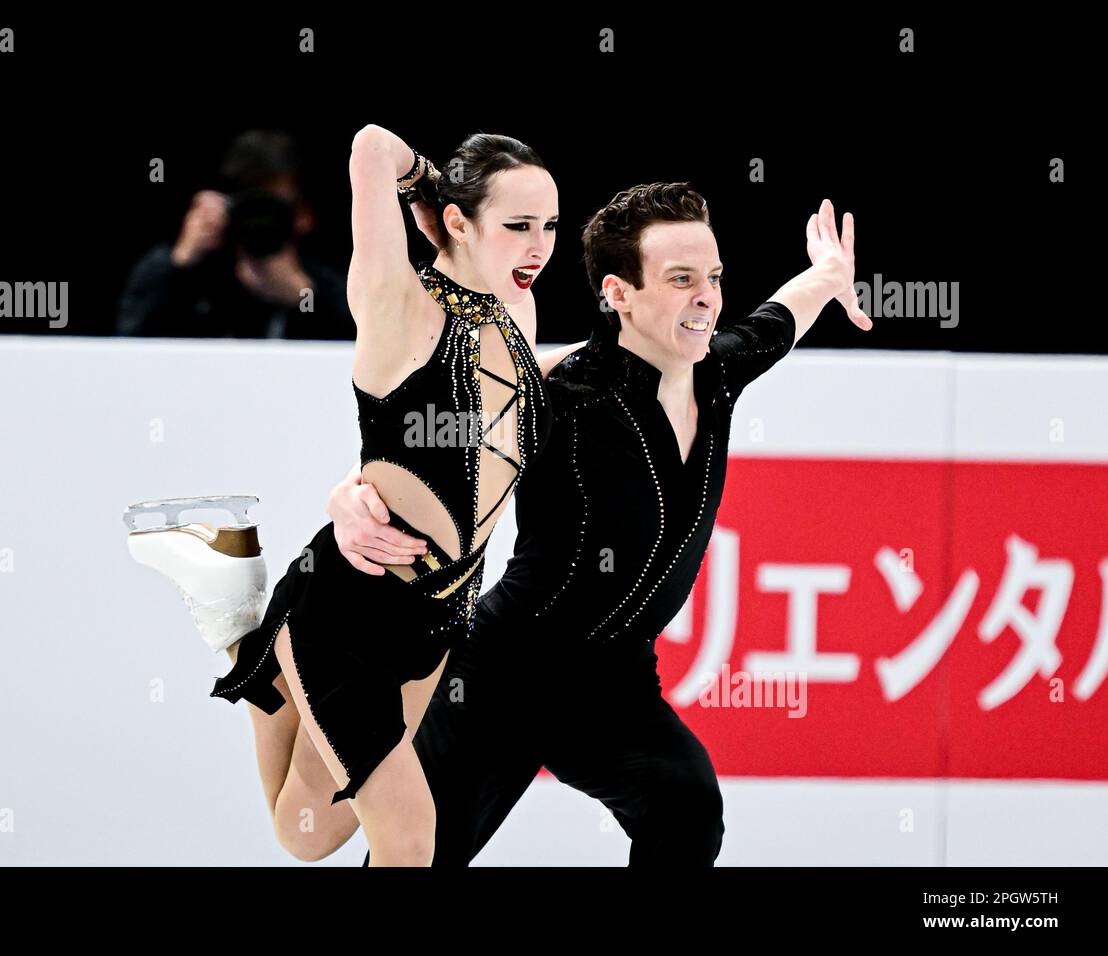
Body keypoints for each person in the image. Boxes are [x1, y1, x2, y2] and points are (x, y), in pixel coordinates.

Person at [320, 186, 871, 865]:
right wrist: (351, 492)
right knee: (416, 858)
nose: (707, 297)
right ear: (619, 291)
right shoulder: (561, 399)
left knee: (686, 806)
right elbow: (430, 446)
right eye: (681, 279)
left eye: (714, 277)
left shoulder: (720, 371)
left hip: (614, 684)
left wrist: (827, 276)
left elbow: (784, 314)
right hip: (505, 673)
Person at [203, 126, 560, 866]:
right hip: (352, 605)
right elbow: (369, 145)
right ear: (458, 222)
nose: (538, 247)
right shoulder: (397, 300)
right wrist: (434, 184)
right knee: (410, 835)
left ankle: (245, 633)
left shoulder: (516, 313)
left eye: (549, 226)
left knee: (309, 833)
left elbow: (501, 407)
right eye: (518, 226)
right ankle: (277, 642)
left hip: (439, 620)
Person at [117, 129, 356, 340]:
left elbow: (366, 362)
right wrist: (181, 261)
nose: (261, 218)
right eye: (251, 204)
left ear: (304, 215)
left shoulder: (330, 282)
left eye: (273, 206)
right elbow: (131, 345)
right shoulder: (189, 274)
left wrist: (303, 297)